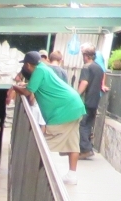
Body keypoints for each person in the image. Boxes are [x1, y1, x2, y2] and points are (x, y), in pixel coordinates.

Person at [8, 51, 86, 184]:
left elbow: (28, 92)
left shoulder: (38, 71)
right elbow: (36, 87)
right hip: (75, 105)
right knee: (72, 142)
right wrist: (25, 86)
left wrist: (15, 87)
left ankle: (31, 176)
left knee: (40, 145)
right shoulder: (44, 68)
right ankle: (72, 175)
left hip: (63, 110)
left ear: (27, 65)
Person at [77, 44, 105, 158]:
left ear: (86, 56)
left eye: (83, 55)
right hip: (95, 100)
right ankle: (88, 147)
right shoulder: (99, 68)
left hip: (86, 100)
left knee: (82, 124)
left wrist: (76, 94)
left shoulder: (87, 67)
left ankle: (85, 150)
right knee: (88, 125)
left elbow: (84, 82)